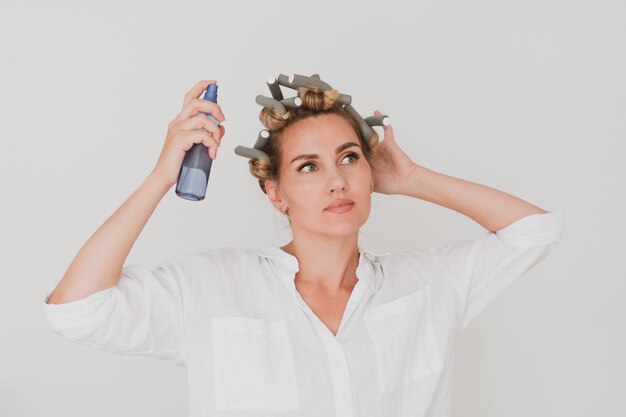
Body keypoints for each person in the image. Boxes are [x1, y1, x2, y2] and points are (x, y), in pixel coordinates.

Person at [43, 77, 564, 417]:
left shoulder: (428, 286)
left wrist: (412, 179)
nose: (337, 181)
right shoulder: (210, 289)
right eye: (308, 166)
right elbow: (76, 310)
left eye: (349, 158)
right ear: (276, 193)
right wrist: (162, 175)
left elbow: (535, 231)